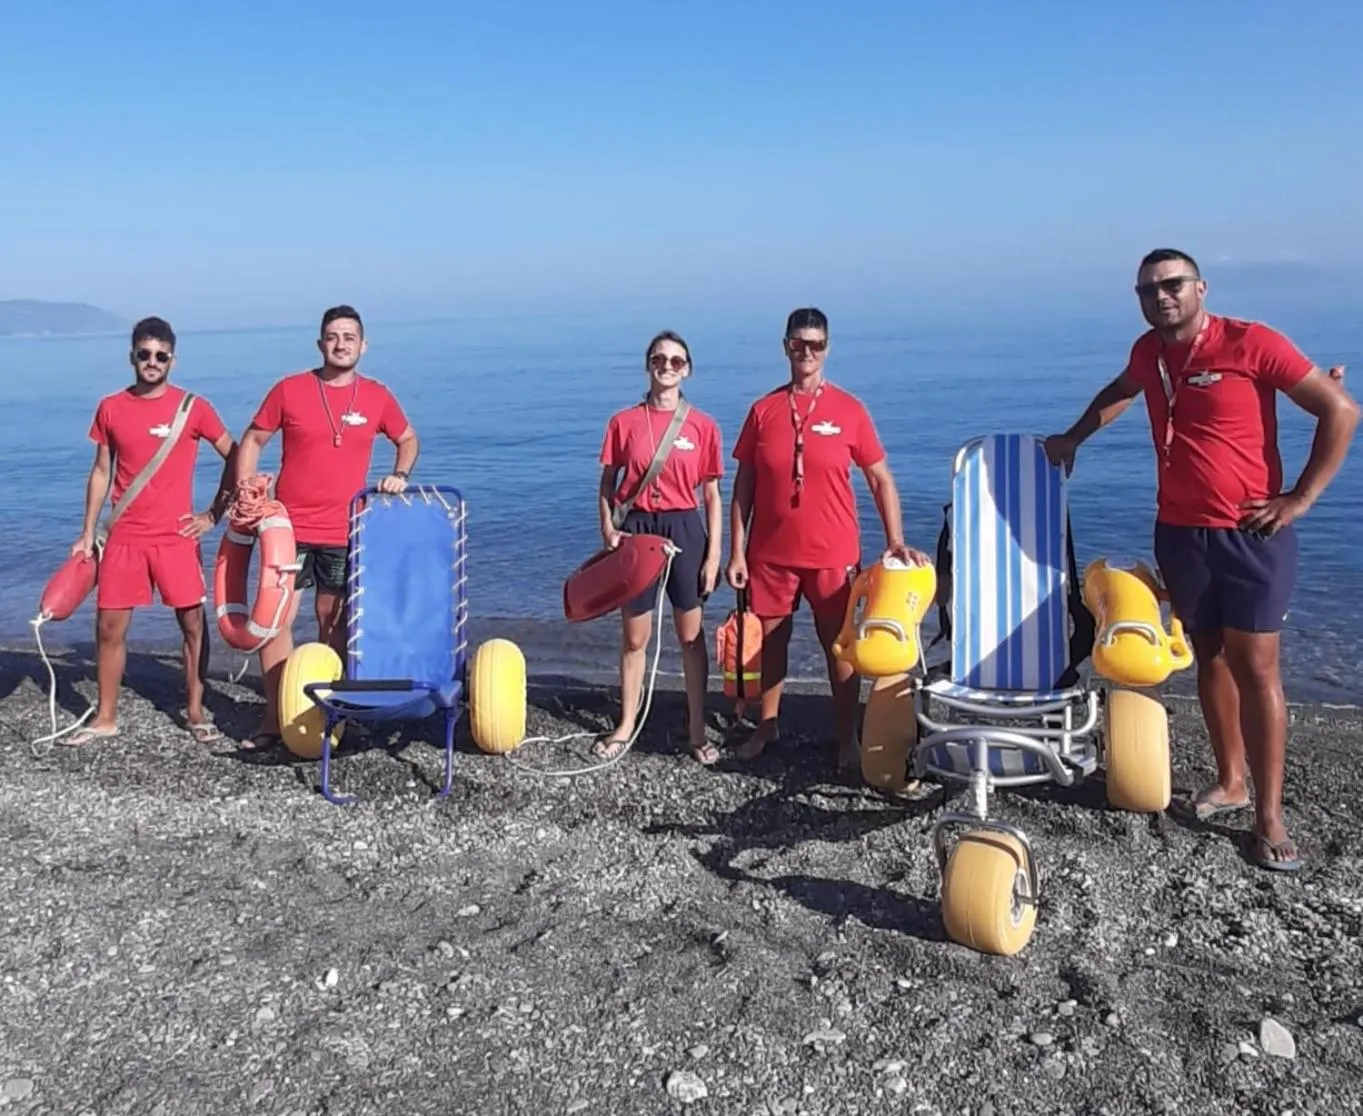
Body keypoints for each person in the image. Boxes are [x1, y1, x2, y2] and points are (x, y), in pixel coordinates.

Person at [1044, 248, 1358, 873]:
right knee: (1208, 654)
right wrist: (1074, 436)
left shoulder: (1251, 342)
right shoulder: (1149, 352)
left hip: (1251, 533)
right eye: (1148, 290)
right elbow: (1120, 391)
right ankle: (1231, 781)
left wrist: (1299, 499)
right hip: (1180, 533)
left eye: (1172, 284)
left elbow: (1340, 410)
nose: (1161, 296)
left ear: (1200, 288)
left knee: (1257, 668)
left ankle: (1269, 816)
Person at [726, 307, 927, 773]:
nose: (807, 352)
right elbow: (743, 486)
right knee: (770, 643)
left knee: (839, 647)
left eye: (815, 344)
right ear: (786, 348)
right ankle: (767, 725)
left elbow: (879, 478)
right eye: (798, 344)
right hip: (770, 554)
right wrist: (735, 550)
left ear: (827, 349)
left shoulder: (849, 409)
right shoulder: (763, 411)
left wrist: (895, 540)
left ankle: (846, 736)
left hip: (832, 554)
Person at [233, 305, 420, 751]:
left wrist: (400, 475)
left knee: (331, 621)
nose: (341, 344)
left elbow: (408, 438)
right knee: (276, 620)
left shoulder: (376, 396)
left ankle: (331, 714)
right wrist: (245, 488)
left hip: (343, 531)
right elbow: (253, 438)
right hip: (288, 531)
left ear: (363, 345)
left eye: (349, 337)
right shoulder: (290, 389)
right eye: (333, 336)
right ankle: (275, 717)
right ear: (320, 344)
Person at [66, 316, 236, 747]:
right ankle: (106, 716)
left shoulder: (193, 407)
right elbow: (101, 471)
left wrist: (214, 514)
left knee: (193, 624)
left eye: (161, 355)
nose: (152, 361)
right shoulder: (111, 407)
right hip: (124, 537)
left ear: (172, 360)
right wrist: (88, 531)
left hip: (176, 536)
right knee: (109, 627)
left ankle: (195, 711)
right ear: (132, 357)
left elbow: (236, 454)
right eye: (145, 354)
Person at [596, 330, 725, 764]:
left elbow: (711, 495)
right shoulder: (623, 422)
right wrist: (608, 530)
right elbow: (608, 483)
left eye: (676, 361)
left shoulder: (704, 426)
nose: (667, 367)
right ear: (648, 365)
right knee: (636, 637)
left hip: (685, 527)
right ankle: (626, 724)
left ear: (687, 370)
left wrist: (714, 555)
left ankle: (697, 730)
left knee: (690, 636)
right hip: (638, 529)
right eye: (659, 359)